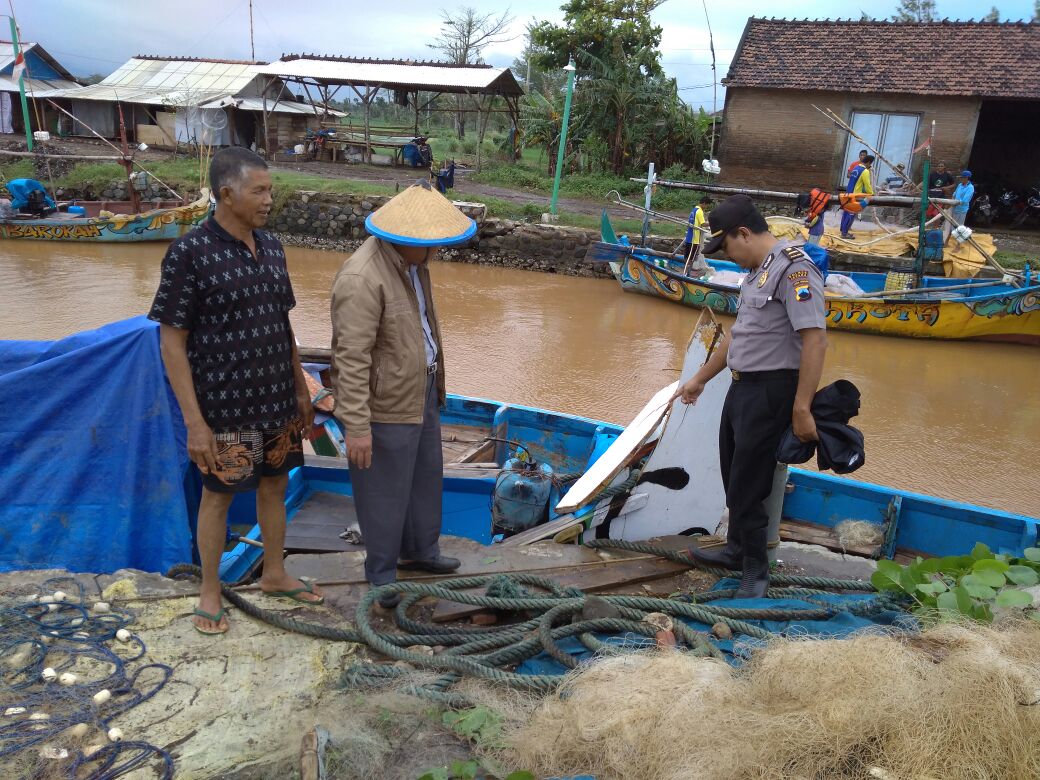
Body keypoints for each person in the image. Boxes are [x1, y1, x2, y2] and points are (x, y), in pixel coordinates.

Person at [149, 147, 324, 635]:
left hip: (277, 400)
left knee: (276, 485)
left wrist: (301, 387)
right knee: (218, 497)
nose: (270, 199)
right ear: (227, 194)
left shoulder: (272, 246)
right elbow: (171, 340)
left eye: (270, 189)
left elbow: (282, 323)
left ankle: (274, 572)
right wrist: (194, 422)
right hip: (223, 407)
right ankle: (209, 590)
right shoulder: (189, 252)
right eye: (259, 190)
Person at [330, 181, 477, 608]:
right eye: (430, 245)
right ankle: (382, 574)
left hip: (422, 390)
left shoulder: (413, 265)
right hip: (385, 402)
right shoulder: (362, 278)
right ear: (403, 239)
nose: (436, 252)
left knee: (425, 478)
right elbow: (350, 358)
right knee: (384, 491)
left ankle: (421, 552)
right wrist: (356, 425)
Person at [675, 195, 828, 598]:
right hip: (742, 387)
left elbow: (814, 339)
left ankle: (755, 571)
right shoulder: (757, 272)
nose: (726, 255)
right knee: (732, 471)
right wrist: (701, 379)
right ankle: (736, 549)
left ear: (743, 233)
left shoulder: (794, 270)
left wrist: (801, 407)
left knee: (749, 482)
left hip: (771, 391)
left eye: (725, 246)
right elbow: (741, 337)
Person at [840, 155, 874, 239]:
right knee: (851, 214)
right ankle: (844, 234)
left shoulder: (856, 167)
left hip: (848, 193)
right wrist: (871, 194)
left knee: (846, 212)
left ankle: (843, 231)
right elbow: (867, 185)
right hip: (854, 196)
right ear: (869, 162)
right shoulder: (865, 171)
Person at [680, 196, 712, 273]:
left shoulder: (694, 210)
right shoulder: (700, 211)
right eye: (707, 205)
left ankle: (687, 268)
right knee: (692, 257)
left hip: (689, 237)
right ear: (704, 203)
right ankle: (688, 272)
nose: (706, 207)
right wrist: (712, 223)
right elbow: (703, 224)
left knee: (687, 256)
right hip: (694, 239)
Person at [945, 170, 975, 243]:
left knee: (959, 227)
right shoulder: (960, 185)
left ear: (967, 178)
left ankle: (958, 244)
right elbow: (954, 194)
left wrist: (955, 202)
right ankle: (946, 241)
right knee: (950, 225)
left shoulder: (970, 187)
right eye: (961, 178)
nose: (961, 179)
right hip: (954, 208)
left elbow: (965, 200)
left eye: (962, 178)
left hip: (962, 209)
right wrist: (951, 202)